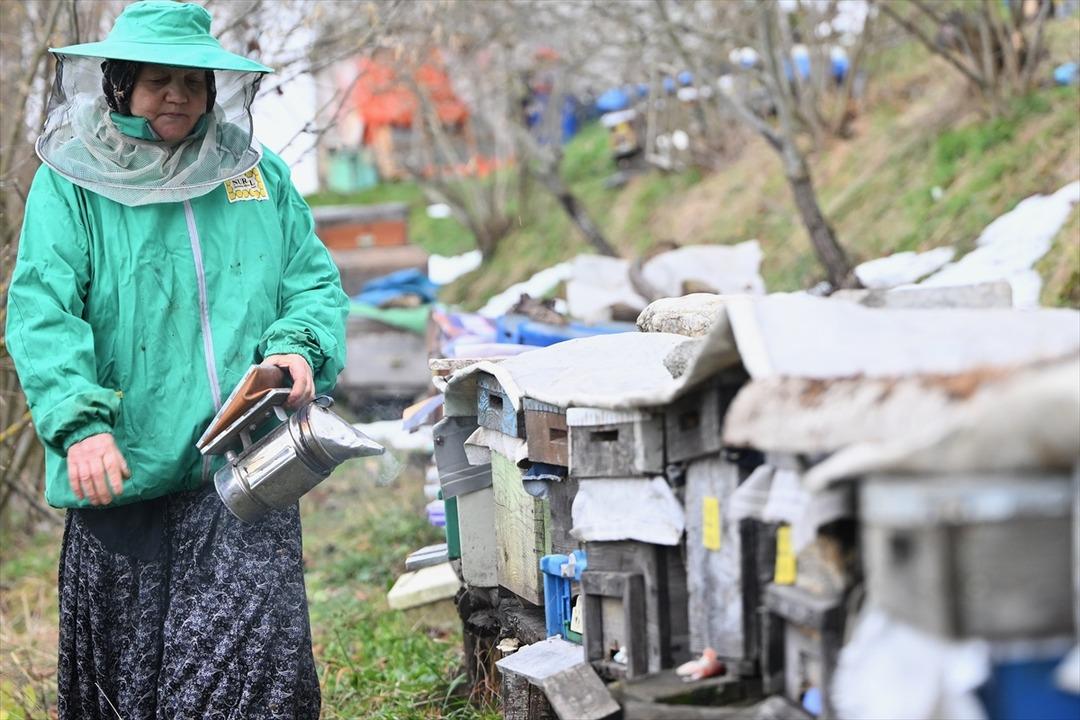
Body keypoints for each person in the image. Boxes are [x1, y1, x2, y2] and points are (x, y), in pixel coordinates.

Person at [5, 2, 347, 718]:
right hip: (124, 474)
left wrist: (298, 343)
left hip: (246, 471)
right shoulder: (70, 183)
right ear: (120, 83)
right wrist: (79, 423)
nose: (178, 96)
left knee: (252, 683)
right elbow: (42, 312)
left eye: (193, 81)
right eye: (158, 80)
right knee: (131, 689)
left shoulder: (256, 175)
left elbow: (311, 281)